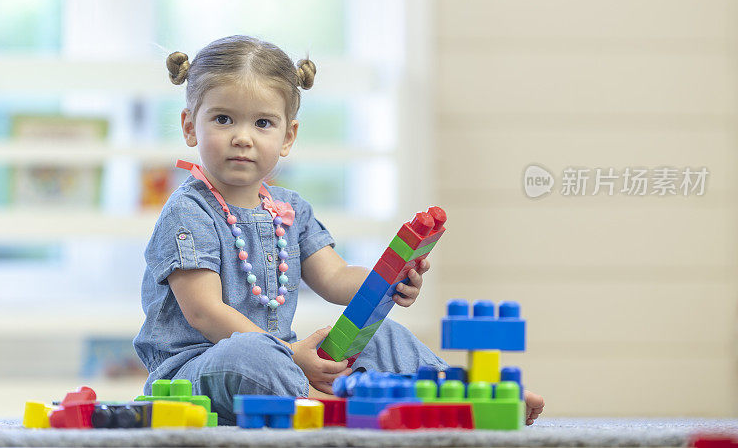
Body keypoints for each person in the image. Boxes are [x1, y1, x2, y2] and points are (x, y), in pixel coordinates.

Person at [133, 35, 544, 426]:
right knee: (251, 353)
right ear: (190, 127)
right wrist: (292, 354)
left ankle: (461, 396)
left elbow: (335, 278)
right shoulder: (188, 212)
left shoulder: (290, 210)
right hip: (193, 373)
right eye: (223, 119)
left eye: (262, 123)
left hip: (289, 360)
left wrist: (389, 279)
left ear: (288, 136)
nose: (243, 137)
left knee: (380, 335)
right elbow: (204, 311)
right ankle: (324, 406)